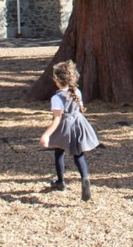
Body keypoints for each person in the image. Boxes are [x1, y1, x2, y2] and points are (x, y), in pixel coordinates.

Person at [39, 60, 99, 201]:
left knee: (59, 152)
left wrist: (46, 135)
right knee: (79, 154)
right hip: (78, 123)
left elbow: (57, 119)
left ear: (56, 80)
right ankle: (84, 178)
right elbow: (78, 108)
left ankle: (60, 181)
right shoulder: (76, 91)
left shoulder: (57, 97)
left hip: (65, 126)